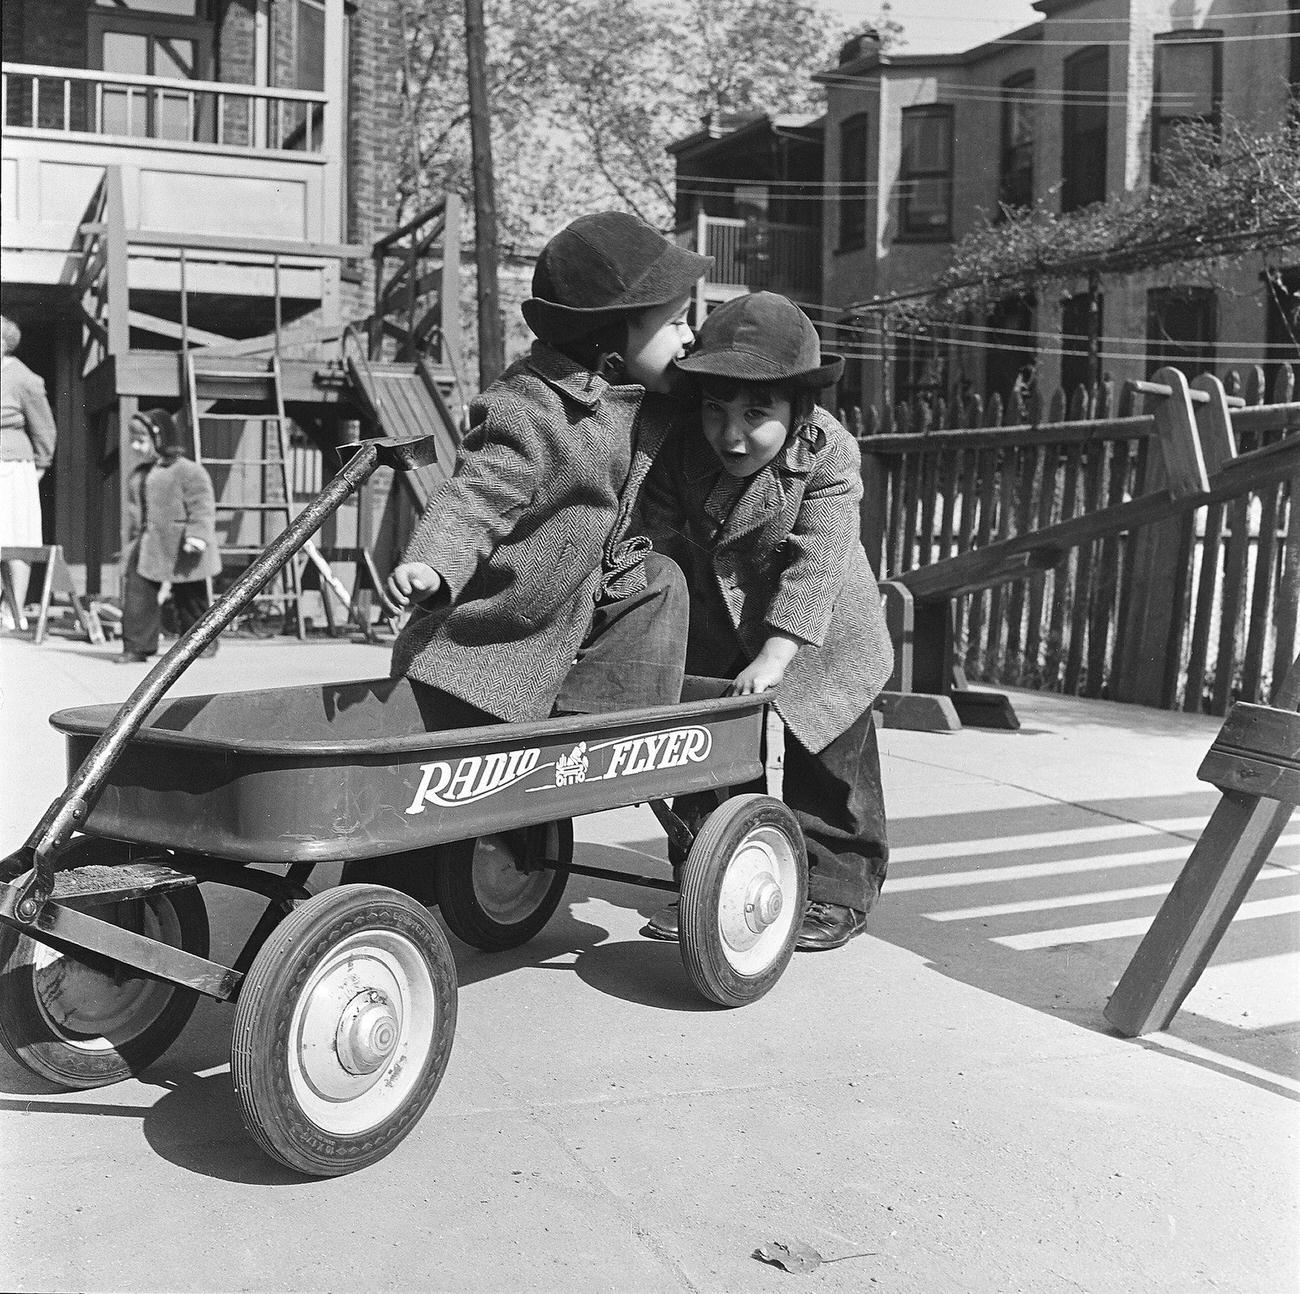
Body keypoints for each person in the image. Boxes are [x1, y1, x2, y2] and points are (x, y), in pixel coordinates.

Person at [355, 212, 710, 900]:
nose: (688, 336)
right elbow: (478, 492)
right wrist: (434, 562)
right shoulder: (530, 409)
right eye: (675, 323)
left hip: (573, 609)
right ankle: (375, 902)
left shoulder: (645, 394)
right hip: (487, 640)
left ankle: (600, 737)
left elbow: (726, 385)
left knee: (659, 581)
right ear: (612, 337)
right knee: (418, 802)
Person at [636, 291, 894, 951]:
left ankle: (837, 884)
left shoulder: (829, 456)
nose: (731, 434)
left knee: (829, 755)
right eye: (716, 409)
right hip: (718, 613)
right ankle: (710, 878)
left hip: (822, 626)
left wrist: (777, 656)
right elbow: (658, 542)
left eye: (757, 414)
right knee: (705, 745)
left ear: (801, 411)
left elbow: (816, 565)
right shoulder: (681, 447)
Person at [117, 407, 222, 663]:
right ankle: (137, 646)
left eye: (142, 441)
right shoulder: (139, 475)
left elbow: (202, 505)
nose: (136, 447)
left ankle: (202, 642)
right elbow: (135, 516)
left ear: (160, 439)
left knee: (191, 598)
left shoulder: (189, 471)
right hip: (148, 547)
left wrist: (198, 534)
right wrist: (130, 545)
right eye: (134, 440)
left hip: (182, 546)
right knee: (138, 597)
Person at [0, 315, 58, 630]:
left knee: (13, 537)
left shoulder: (22, 377)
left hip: (10, 467)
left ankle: (15, 611)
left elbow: (44, 427)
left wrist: (40, 465)